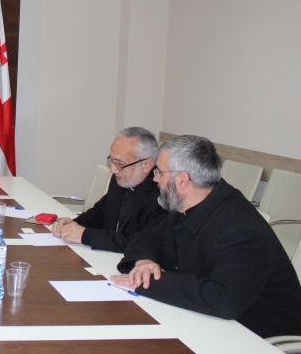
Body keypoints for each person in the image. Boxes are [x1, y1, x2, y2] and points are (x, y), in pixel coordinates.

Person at [111, 135, 301, 340]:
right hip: (213, 327)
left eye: (159, 172)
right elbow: (146, 238)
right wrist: (144, 262)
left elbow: (223, 300)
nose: (155, 179)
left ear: (182, 179)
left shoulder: (241, 228)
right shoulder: (186, 206)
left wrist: (150, 282)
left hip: (263, 342)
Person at [51, 127, 167, 252]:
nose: (113, 169)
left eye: (120, 164)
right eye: (112, 161)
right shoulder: (120, 179)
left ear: (146, 165)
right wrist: (74, 224)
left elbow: (142, 243)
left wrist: (86, 236)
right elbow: (99, 213)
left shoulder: (163, 195)